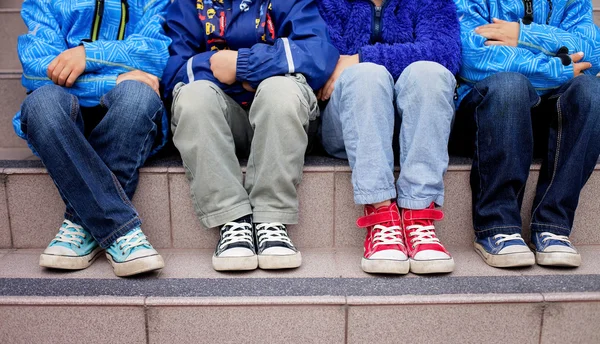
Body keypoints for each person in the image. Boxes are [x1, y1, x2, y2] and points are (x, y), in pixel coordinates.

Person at [162, 0, 338, 271]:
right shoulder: (188, 4)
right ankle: (233, 221)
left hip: (279, 118)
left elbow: (318, 54)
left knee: (280, 89)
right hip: (221, 116)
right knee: (192, 97)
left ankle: (271, 219)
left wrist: (243, 64)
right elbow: (172, 71)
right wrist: (217, 65)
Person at [14, 0, 171, 276]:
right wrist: (113, 79)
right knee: (41, 104)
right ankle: (120, 230)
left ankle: (79, 225)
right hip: (63, 125)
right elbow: (38, 70)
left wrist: (88, 56)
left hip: (128, 118)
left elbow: (156, 56)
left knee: (137, 94)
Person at [315, 0, 461, 274]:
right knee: (366, 76)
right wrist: (365, 66)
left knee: (429, 72)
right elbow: (324, 62)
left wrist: (362, 56)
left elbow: (444, 53)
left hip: (419, 127)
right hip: (349, 127)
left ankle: (419, 216)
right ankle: (380, 215)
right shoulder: (331, 3)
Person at [453, 0, 600, 267]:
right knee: (510, 85)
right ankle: (497, 227)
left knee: (592, 92)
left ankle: (552, 225)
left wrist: (521, 36)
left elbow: (593, 52)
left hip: (545, 114)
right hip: (489, 110)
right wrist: (557, 67)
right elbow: (472, 56)